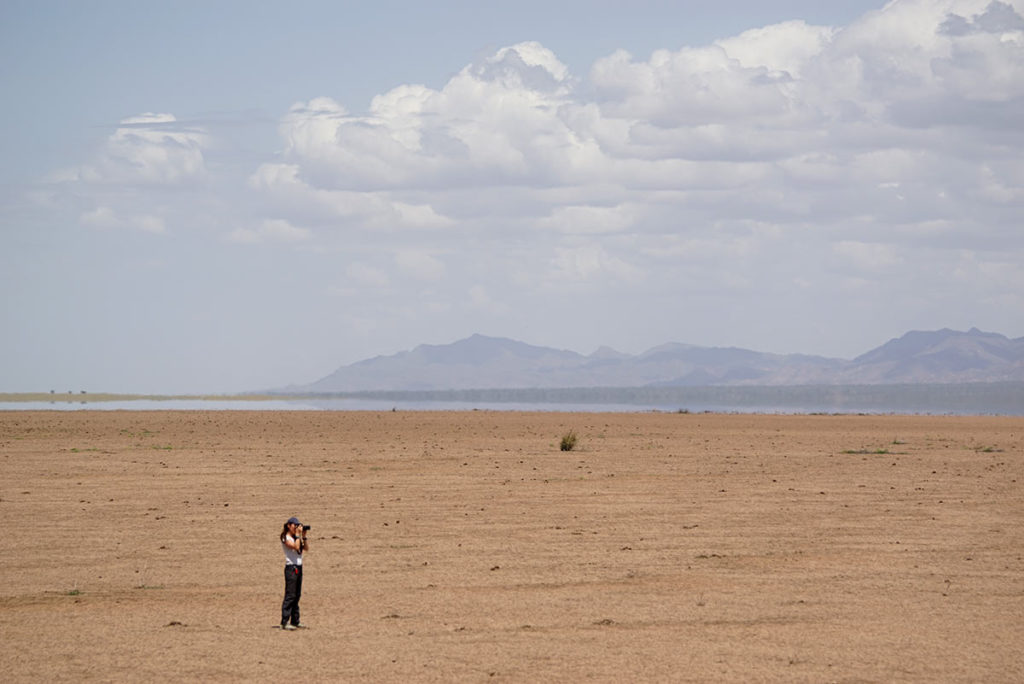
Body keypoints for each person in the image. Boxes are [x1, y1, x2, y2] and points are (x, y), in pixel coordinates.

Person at [280, 516, 309, 630]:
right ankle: (284, 621)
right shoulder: (285, 537)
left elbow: (305, 548)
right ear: (289, 525)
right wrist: (297, 535)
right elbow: (295, 546)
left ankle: (295, 620)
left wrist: (304, 536)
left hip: (299, 567)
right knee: (290, 595)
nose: (296, 527)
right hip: (291, 568)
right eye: (294, 525)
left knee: (297, 595)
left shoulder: (296, 537)